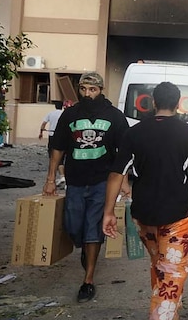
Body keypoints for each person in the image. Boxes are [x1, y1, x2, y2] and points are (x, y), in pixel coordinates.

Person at [103, 82, 188, 320]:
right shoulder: (186, 132)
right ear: (178, 104)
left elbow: (117, 174)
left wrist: (108, 213)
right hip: (176, 216)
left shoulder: (134, 132)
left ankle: (170, 313)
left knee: (161, 265)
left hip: (143, 215)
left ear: (153, 102)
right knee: (171, 274)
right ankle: (164, 314)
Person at [43, 72, 129, 304]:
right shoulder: (69, 115)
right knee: (72, 225)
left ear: (101, 90)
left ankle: (88, 280)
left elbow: (124, 152)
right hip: (76, 181)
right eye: (84, 89)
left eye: (92, 90)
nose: (88, 94)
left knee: (94, 227)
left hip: (103, 181)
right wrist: (51, 178)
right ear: (79, 90)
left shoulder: (114, 117)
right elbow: (58, 148)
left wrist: (124, 181)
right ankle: (85, 248)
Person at [39, 100, 70, 186]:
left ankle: (60, 175)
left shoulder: (51, 114)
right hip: (64, 136)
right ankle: (64, 175)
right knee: (64, 156)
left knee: (54, 156)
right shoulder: (64, 114)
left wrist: (41, 132)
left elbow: (44, 123)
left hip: (52, 135)